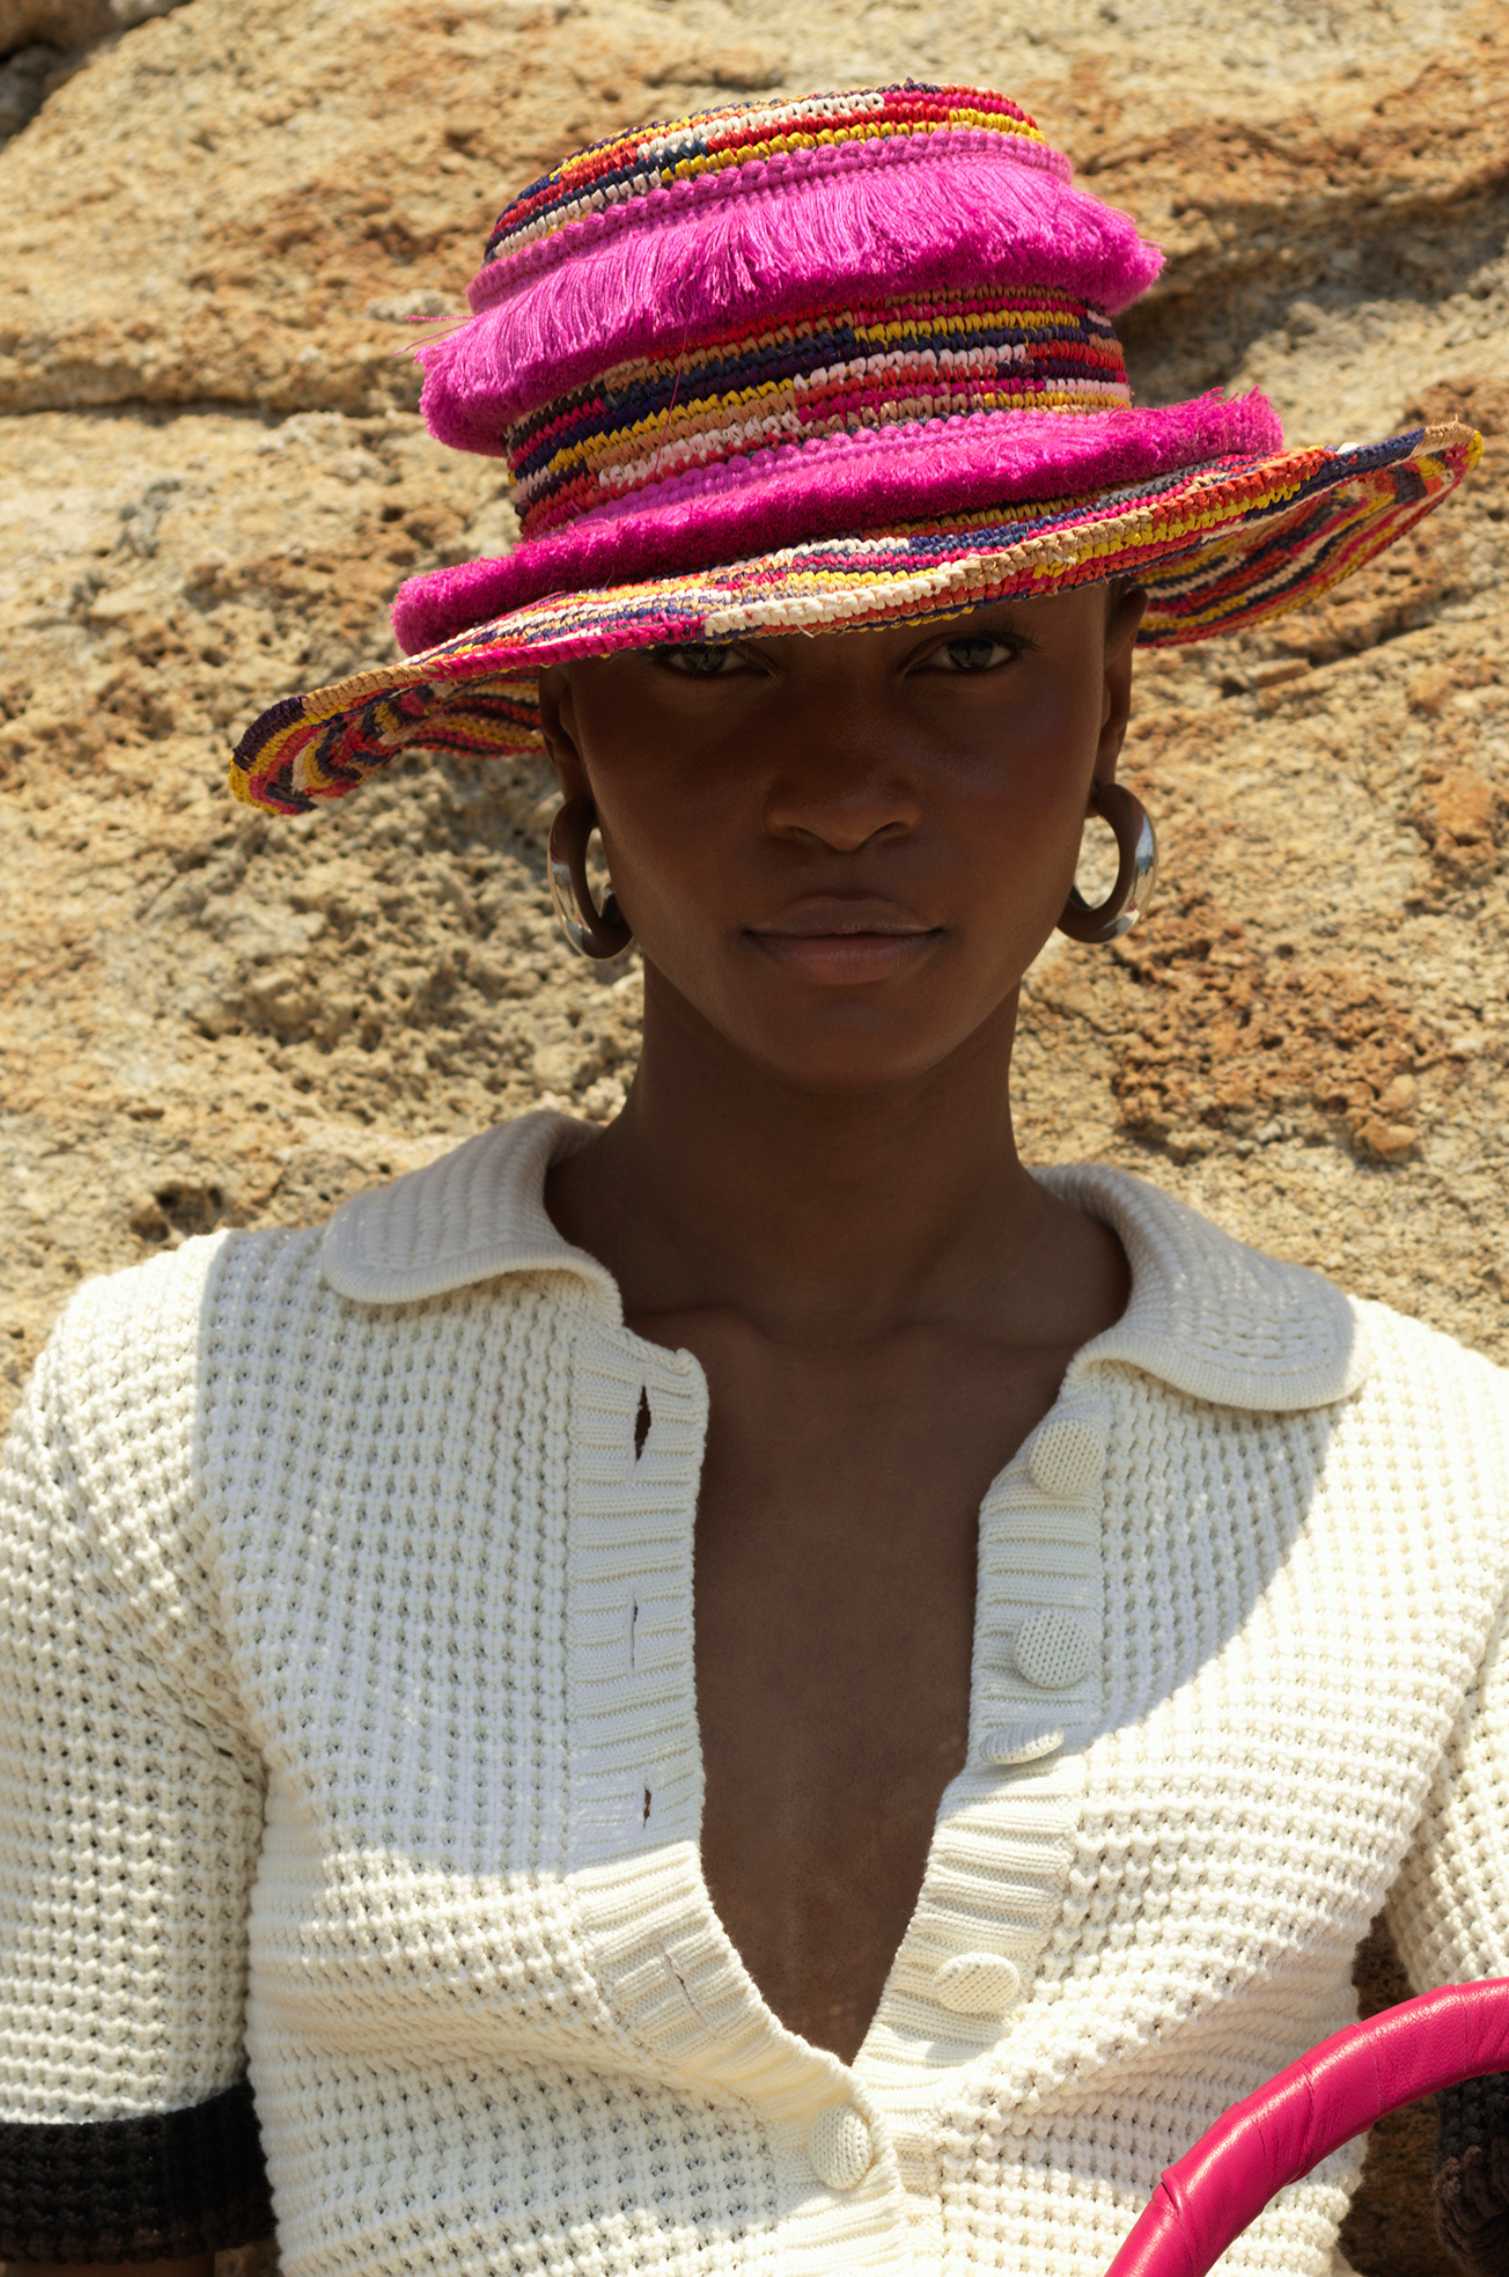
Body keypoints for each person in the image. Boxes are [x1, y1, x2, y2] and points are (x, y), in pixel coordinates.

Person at [1, 78, 1503, 2277]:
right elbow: (78, 2229)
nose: (838, 788)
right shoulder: (190, 1414)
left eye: (970, 651)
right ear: (564, 733)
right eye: (705, 662)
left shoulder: (1418, 1472)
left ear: (1110, 710)